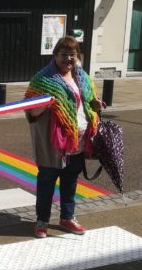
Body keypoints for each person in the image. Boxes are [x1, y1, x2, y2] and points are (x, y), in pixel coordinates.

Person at [25, 36, 103, 239]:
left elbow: (87, 102)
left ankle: (67, 217)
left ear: (77, 56)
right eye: (64, 54)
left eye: (72, 54)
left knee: (70, 183)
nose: (68, 58)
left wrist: (95, 104)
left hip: (77, 143)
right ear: (55, 55)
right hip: (53, 146)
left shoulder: (82, 77)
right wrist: (45, 104)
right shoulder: (43, 80)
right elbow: (31, 112)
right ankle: (42, 221)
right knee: (46, 184)